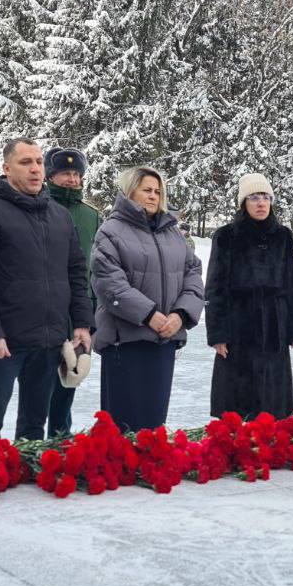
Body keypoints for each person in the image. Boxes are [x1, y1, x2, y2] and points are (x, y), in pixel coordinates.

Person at [0, 138, 93, 441]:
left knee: (35, 421)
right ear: (6, 169)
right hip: (6, 340)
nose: (35, 169)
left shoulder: (60, 217)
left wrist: (83, 323)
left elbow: (76, 274)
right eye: (25, 163)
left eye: (38, 162)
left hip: (49, 338)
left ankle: (28, 475)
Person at [90, 166, 204, 432]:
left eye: (157, 191)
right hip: (125, 341)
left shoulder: (173, 234)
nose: (153, 196)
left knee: (153, 423)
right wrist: (149, 315)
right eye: (146, 190)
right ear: (130, 192)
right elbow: (109, 283)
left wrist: (181, 315)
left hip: (164, 340)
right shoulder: (110, 231)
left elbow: (193, 274)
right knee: (124, 425)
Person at [206, 174, 293, 420]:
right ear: (244, 202)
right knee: (237, 401)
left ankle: (272, 447)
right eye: (254, 197)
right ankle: (238, 447)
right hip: (237, 326)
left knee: (273, 401)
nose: (261, 203)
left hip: (275, 326)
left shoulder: (283, 236)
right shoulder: (226, 236)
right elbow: (214, 287)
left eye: (265, 197)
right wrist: (218, 334)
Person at [43, 147, 100, 437]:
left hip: (78, 313)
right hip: (42, 310)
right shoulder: (38, 206)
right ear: (50, 176)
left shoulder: (92, 216)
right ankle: (30, 441)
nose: (71, 179)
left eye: (76, 174)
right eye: (65, 173)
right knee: (39, 383)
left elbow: (96, 267)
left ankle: (60, 438)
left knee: (69, 378)